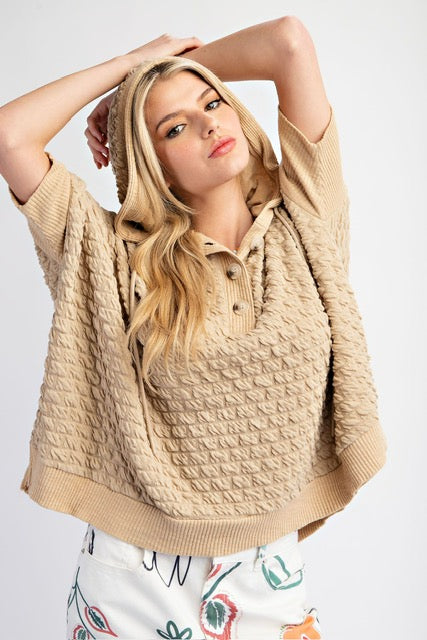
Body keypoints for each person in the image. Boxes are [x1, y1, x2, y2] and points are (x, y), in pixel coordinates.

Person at [0, 16, 387, 640]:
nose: (208, 124)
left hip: (266, 576)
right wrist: (128, 70)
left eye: (212, 102)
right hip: (130, 580)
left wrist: (154, 80)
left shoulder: (307, 220)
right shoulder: (109, 254)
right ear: (152, 164)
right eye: (174, 128)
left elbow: (288, 42)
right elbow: (10, 134)